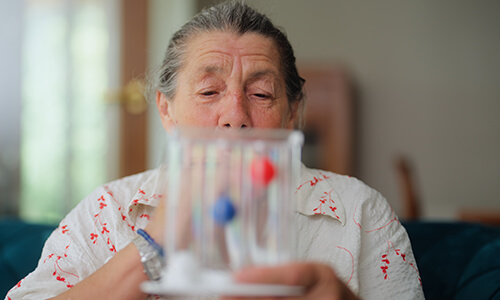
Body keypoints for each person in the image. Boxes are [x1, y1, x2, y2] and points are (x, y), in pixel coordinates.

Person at [5, 2, 424, 299]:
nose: (235, 115)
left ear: (292, 112)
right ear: (166, 112)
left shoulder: (359, 212)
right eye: (209, 90)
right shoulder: (109, 211)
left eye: (261, 93)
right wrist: (154, 244)